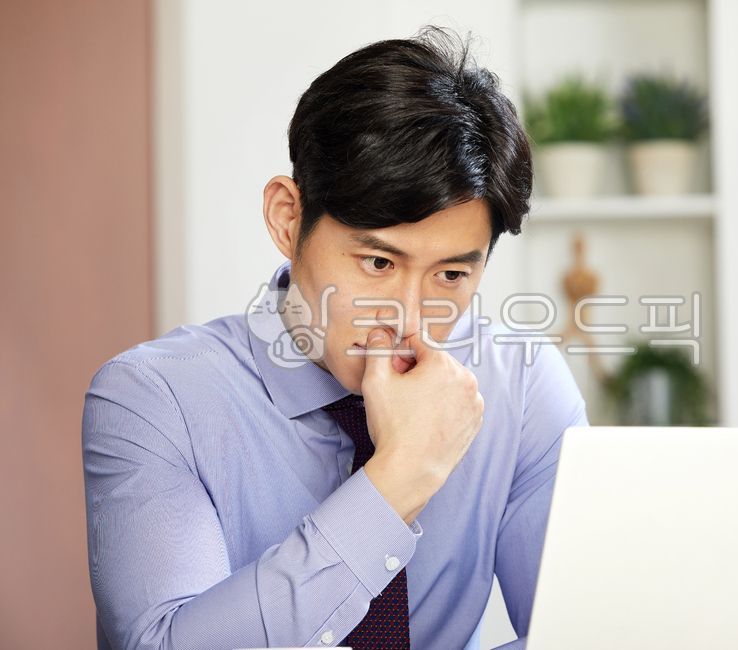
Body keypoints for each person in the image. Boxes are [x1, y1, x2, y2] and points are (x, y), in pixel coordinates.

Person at [82, 27, 588, 650]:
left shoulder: (522, 383)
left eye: (452, 274)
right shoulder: (156, 400)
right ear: (288, 219)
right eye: (378, 263)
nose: (409, 317)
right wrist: (400, 476)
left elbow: (587, 631)